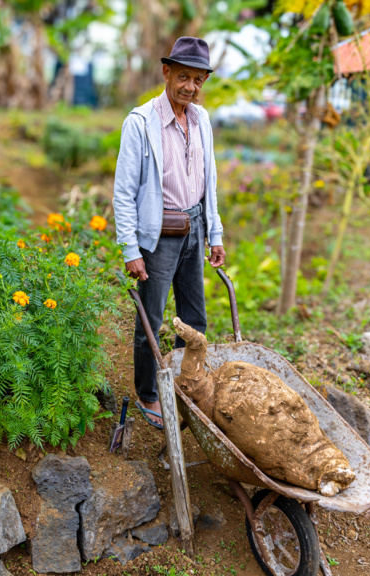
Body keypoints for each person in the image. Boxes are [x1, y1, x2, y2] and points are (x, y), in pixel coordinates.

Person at [113, 37, 226, 429]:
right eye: (183, 77)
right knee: (152, 318)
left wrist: (215, 234)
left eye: (198, 80)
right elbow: (124, 193)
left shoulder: (202, 120)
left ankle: (184, 383)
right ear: (166, 73)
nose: (190, 87)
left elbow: (209, 182)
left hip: (195, 227)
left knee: (194, 318)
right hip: (159, 233)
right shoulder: (141, 123)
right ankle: (147, 393)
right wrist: (131, 248)